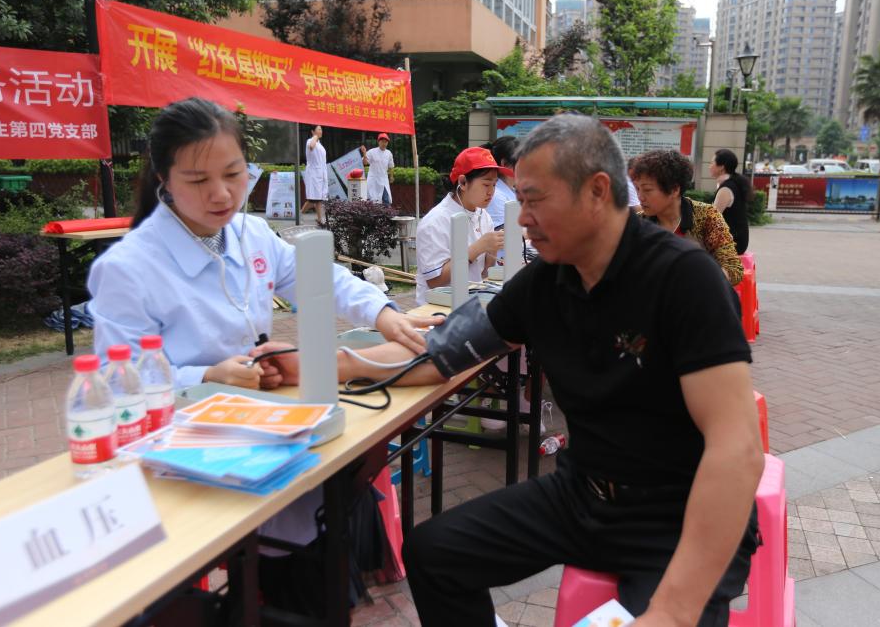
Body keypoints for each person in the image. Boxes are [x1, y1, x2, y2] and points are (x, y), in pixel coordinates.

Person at [258, 114, 763, 626]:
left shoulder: (684, 278)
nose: (522, 218)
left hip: (677, 516)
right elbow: (441, 351)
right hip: (584, 495)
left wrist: (674, 611)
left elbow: (736, 446)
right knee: (435, 553)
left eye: (535, 200)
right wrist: (322, 365)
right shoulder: (547, 281)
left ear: (596, 191)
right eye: (518, 200)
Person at [88, 97, 439, 389]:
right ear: (164, 179)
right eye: (198, 180)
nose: (221, 194)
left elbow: (320, 278)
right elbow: (118, 381)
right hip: (179, 432)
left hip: (257, 413)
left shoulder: (251, 234)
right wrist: (206, 375)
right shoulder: (127, 268)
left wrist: (382, 313)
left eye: (233, 173)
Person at [630, 150, 744, 286]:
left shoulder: (706, 216)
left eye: (647, 190)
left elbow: (733, 269)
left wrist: (698, 276)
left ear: (674, 189)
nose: (640, 197)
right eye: (637, 189)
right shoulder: (638, 223)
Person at [414, 147, 505, 305]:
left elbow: (484, 273)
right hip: (439, 309)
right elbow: (435, 281)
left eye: (494, 185)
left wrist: (493, 248)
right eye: (486, 185)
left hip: (470, 302)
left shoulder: (483, 215)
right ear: (463, 182)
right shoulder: (435, 221)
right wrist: (478, 247)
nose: (491, 192)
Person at [710, 148, 751, 255]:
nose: (709, 166)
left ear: (721, 167)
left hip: (733, 242)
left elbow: (712, 217)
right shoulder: (732, 182)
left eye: (712, 163)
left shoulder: (726, 188)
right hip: (734, 238)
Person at [300, 124, 328, 225]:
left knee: (319, 198)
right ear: (313, 131)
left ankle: (320, 219)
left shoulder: (319, 144)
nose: (321, 131)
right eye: (319, 129)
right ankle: (300, 214)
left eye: (321, 129)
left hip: (320, 174)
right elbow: (311, 146)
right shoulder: (310, 141)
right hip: (313, 174)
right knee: (313, 199)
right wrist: (315, 136)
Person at [361, 133, 395, 205]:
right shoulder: (372, 152)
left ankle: (386, 212)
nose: (384, 143)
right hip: (373, 180)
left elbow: (391, 166)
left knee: (386, 199)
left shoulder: (389, 153)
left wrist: (391, 176)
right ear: (378, 142)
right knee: (373, 200)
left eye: (385, 142)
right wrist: (364, 154)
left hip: (384, 179)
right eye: (382, 141)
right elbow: (365, 163)